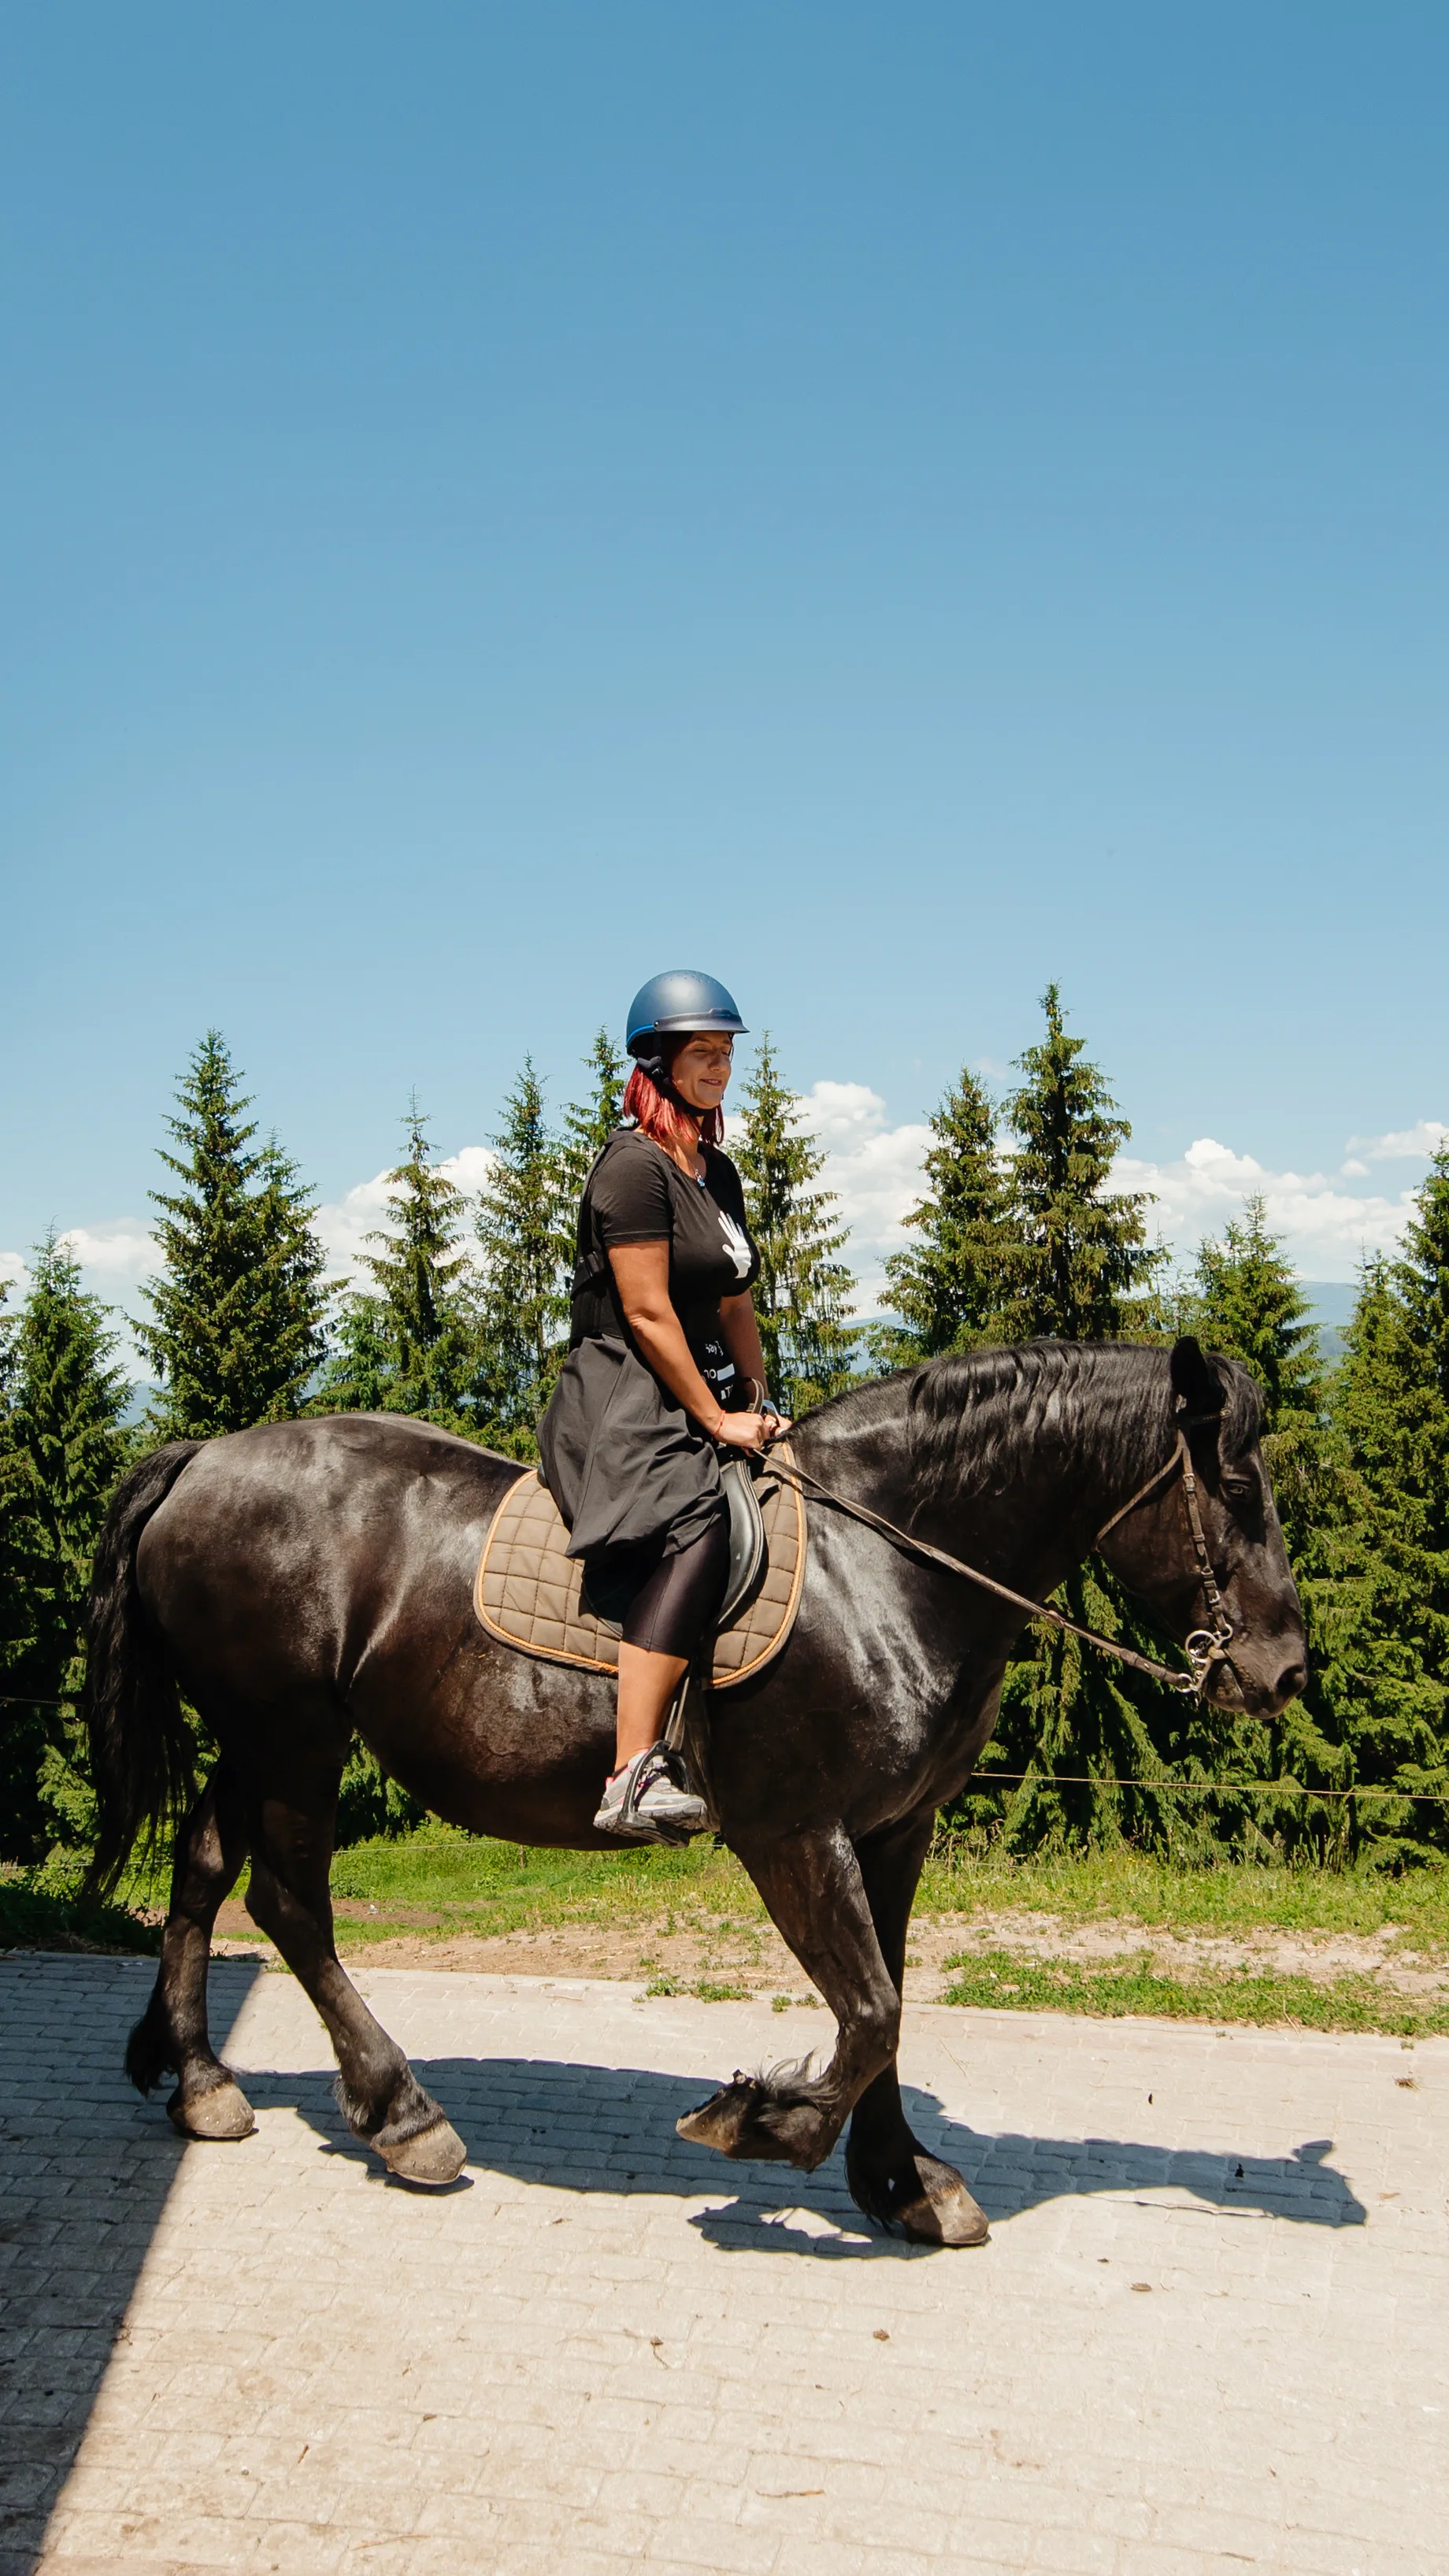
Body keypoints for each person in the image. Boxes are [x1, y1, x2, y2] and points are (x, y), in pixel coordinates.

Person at [538, 970, 791, 1842]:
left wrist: (757, 1398)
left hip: (702, 1381)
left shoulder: (714, 1170)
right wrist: (716, 1423)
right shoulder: (631, 1168)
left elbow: (732, 1302)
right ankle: (632, 1771)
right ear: (657, 1060)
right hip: (623, 1395)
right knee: (697, 1518)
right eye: (703, 1053)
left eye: (726, 1053)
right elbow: (646, 1311)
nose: (720, 1067)